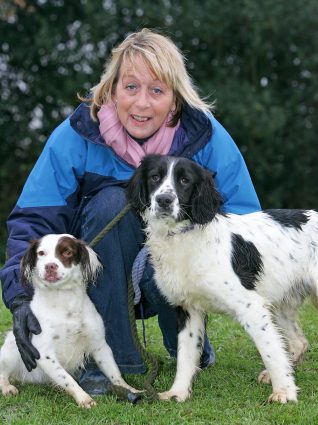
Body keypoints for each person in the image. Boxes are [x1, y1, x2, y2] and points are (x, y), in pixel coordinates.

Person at [0, 28, 261, 395]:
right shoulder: (76, 134)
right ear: (111, 90)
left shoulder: (205, 136)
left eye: (157, 90)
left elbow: (246, 223)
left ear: (175, 99)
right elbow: (33, 221)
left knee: (177, 235)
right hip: (100, 272)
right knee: (113, 202)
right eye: (131, 87)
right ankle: (112, 362)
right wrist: (21, 297)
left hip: (178, 270)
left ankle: (188, 338)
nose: (141, 104)